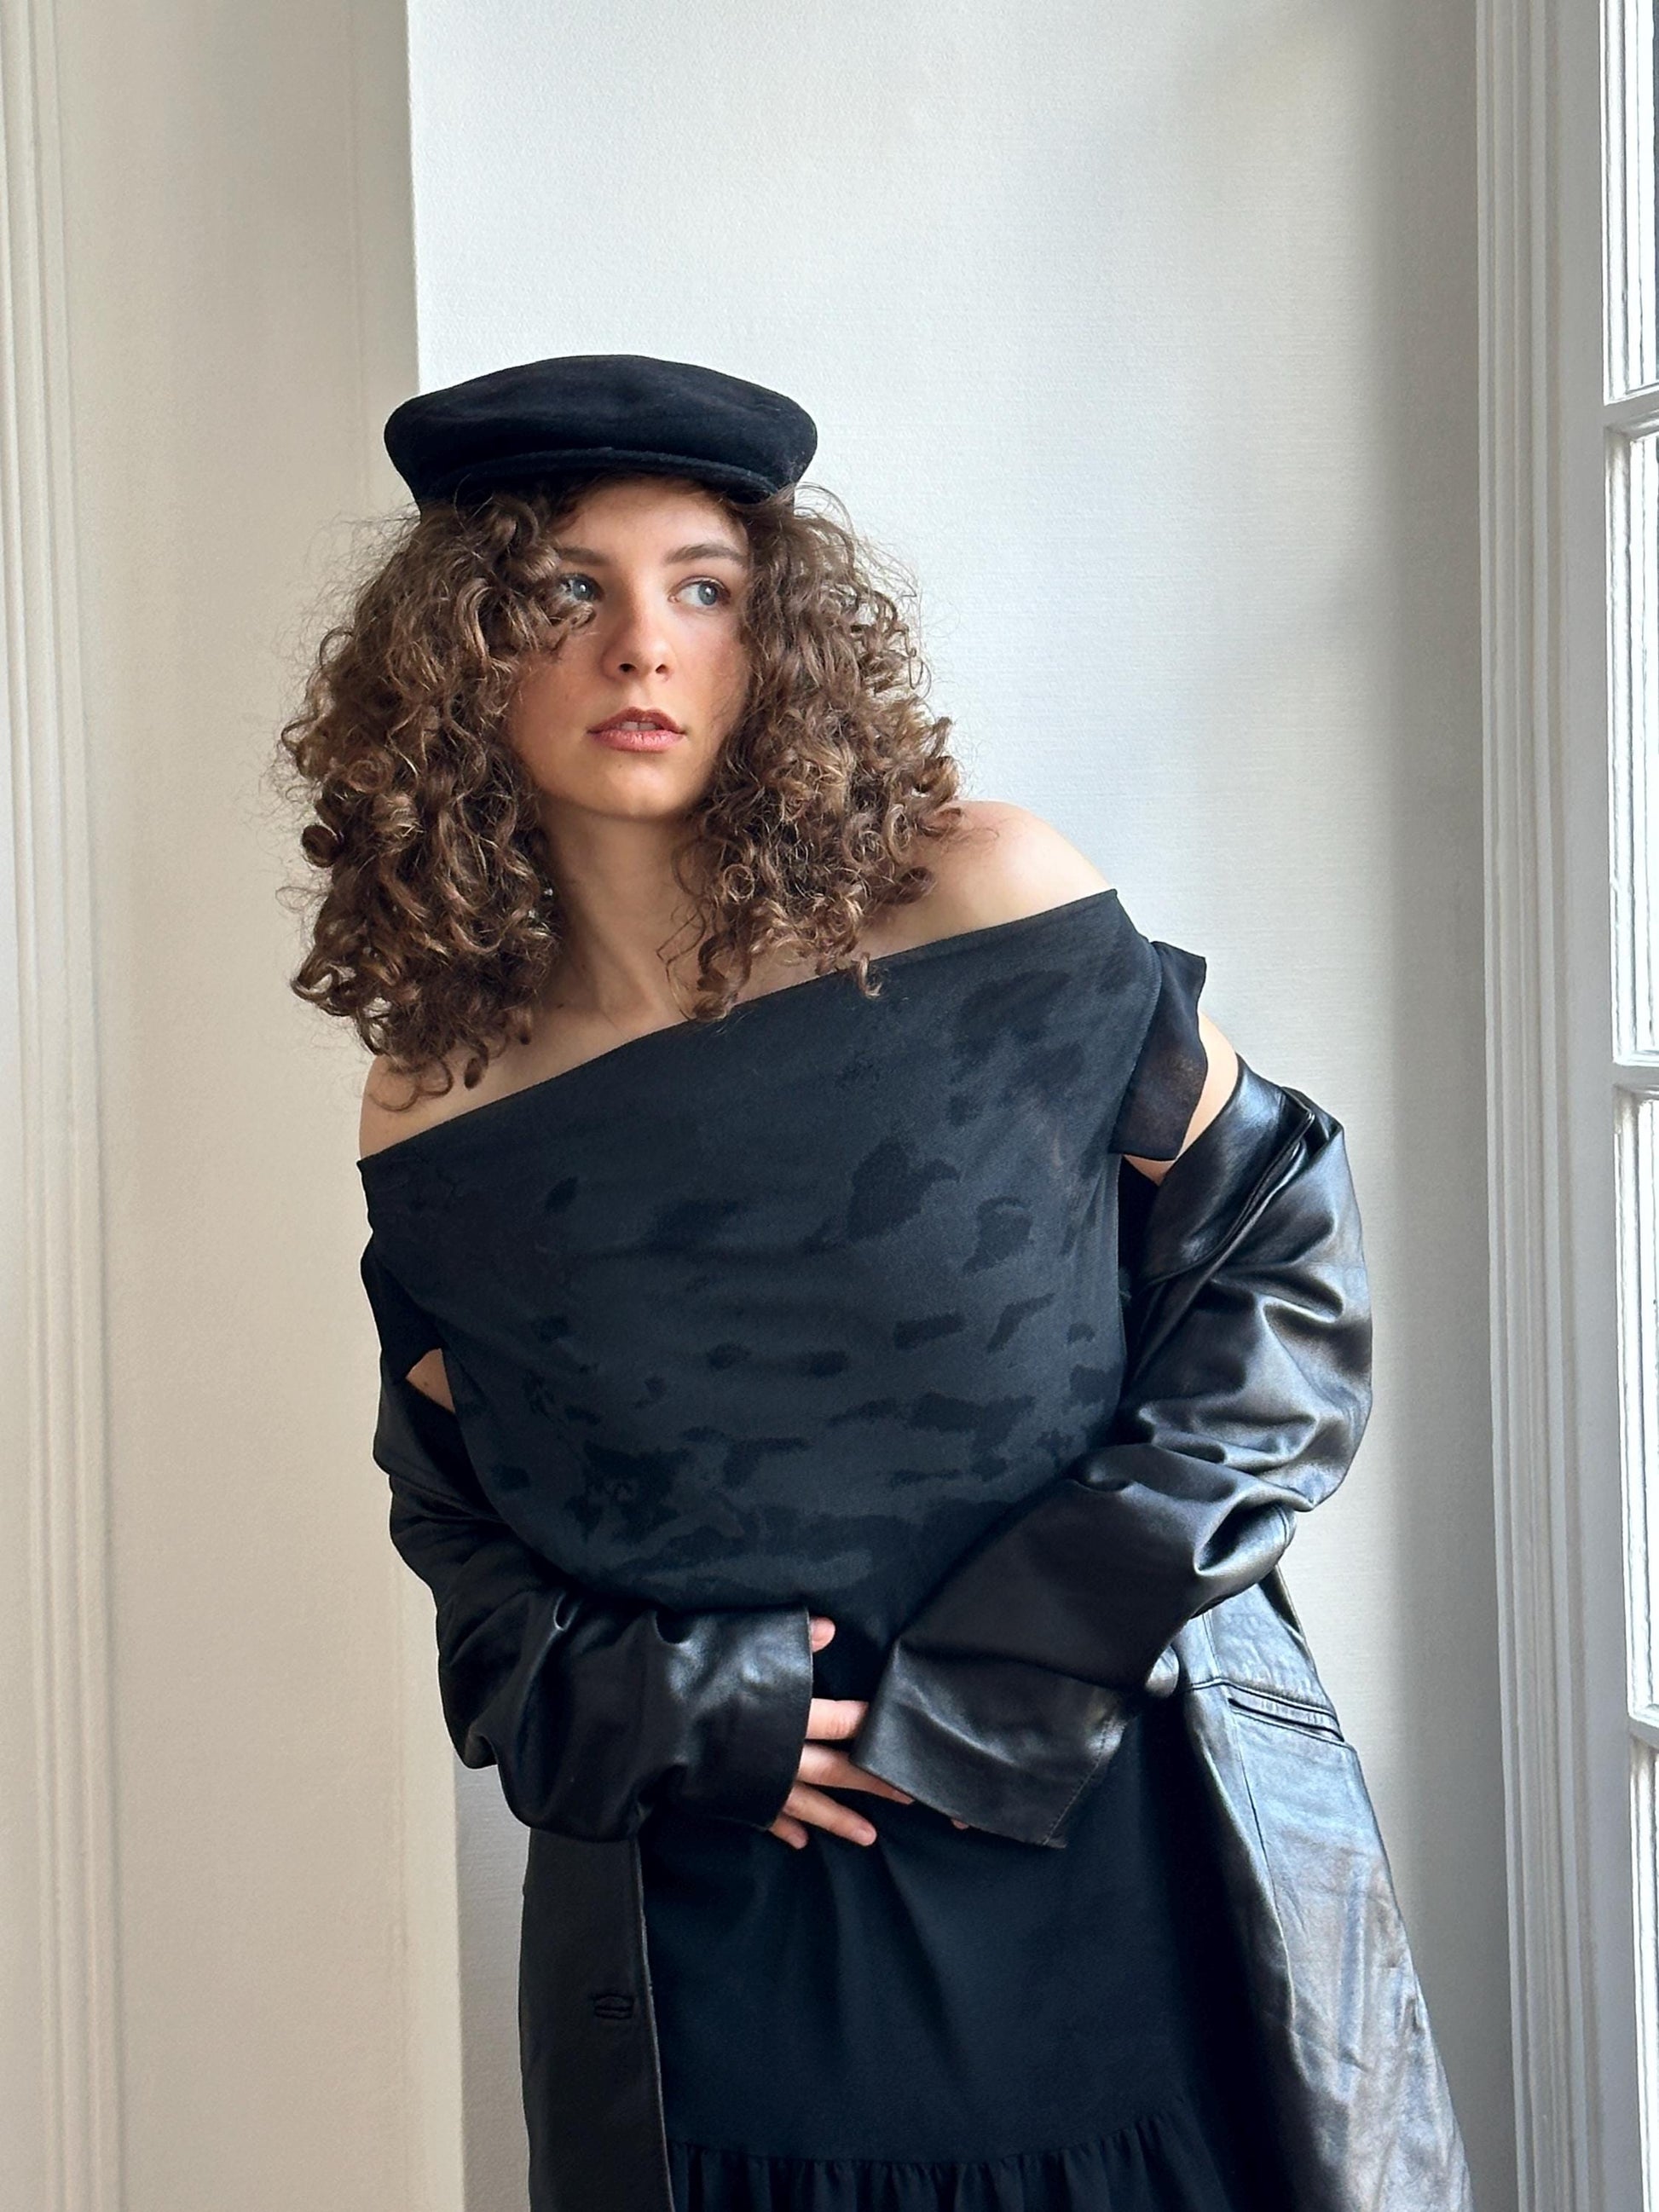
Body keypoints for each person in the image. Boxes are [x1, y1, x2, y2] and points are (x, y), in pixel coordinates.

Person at [280, 354, 1474, 2211]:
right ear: (458, 654)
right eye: (568, 591)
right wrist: (694, 1715)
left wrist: (1013, 1670)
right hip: (736, 1929)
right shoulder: (440, 1101)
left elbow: (1281, 1274)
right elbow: (467, 1545)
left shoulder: (984, 898)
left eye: (703, 587)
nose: (643, 646)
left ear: (777, 636)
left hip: (1125, 1827)